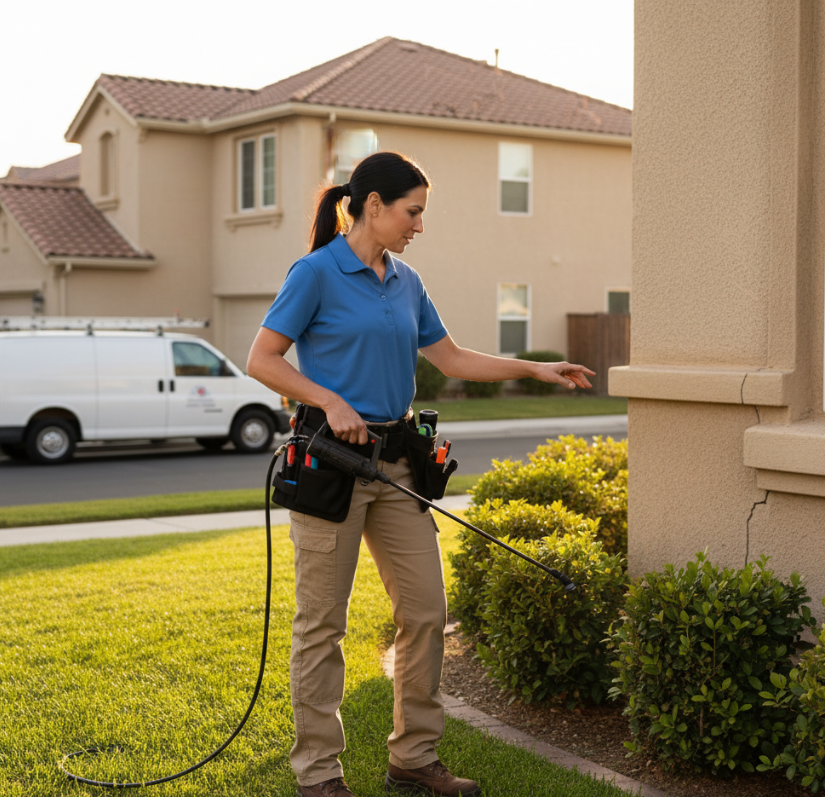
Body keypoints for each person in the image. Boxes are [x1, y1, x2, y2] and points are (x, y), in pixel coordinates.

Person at [247, 151, 595, 797]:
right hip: (330, 463)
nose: (419, 225)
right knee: (322, 623)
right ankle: (319, 773)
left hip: (398, 459)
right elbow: (263, 358)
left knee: (427, 612)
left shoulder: (405, 279)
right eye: (413, 211)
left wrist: (533, 368)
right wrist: (327, 398)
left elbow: (451, 355)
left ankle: (413, 757)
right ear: (373, 205)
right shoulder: (317, 273)